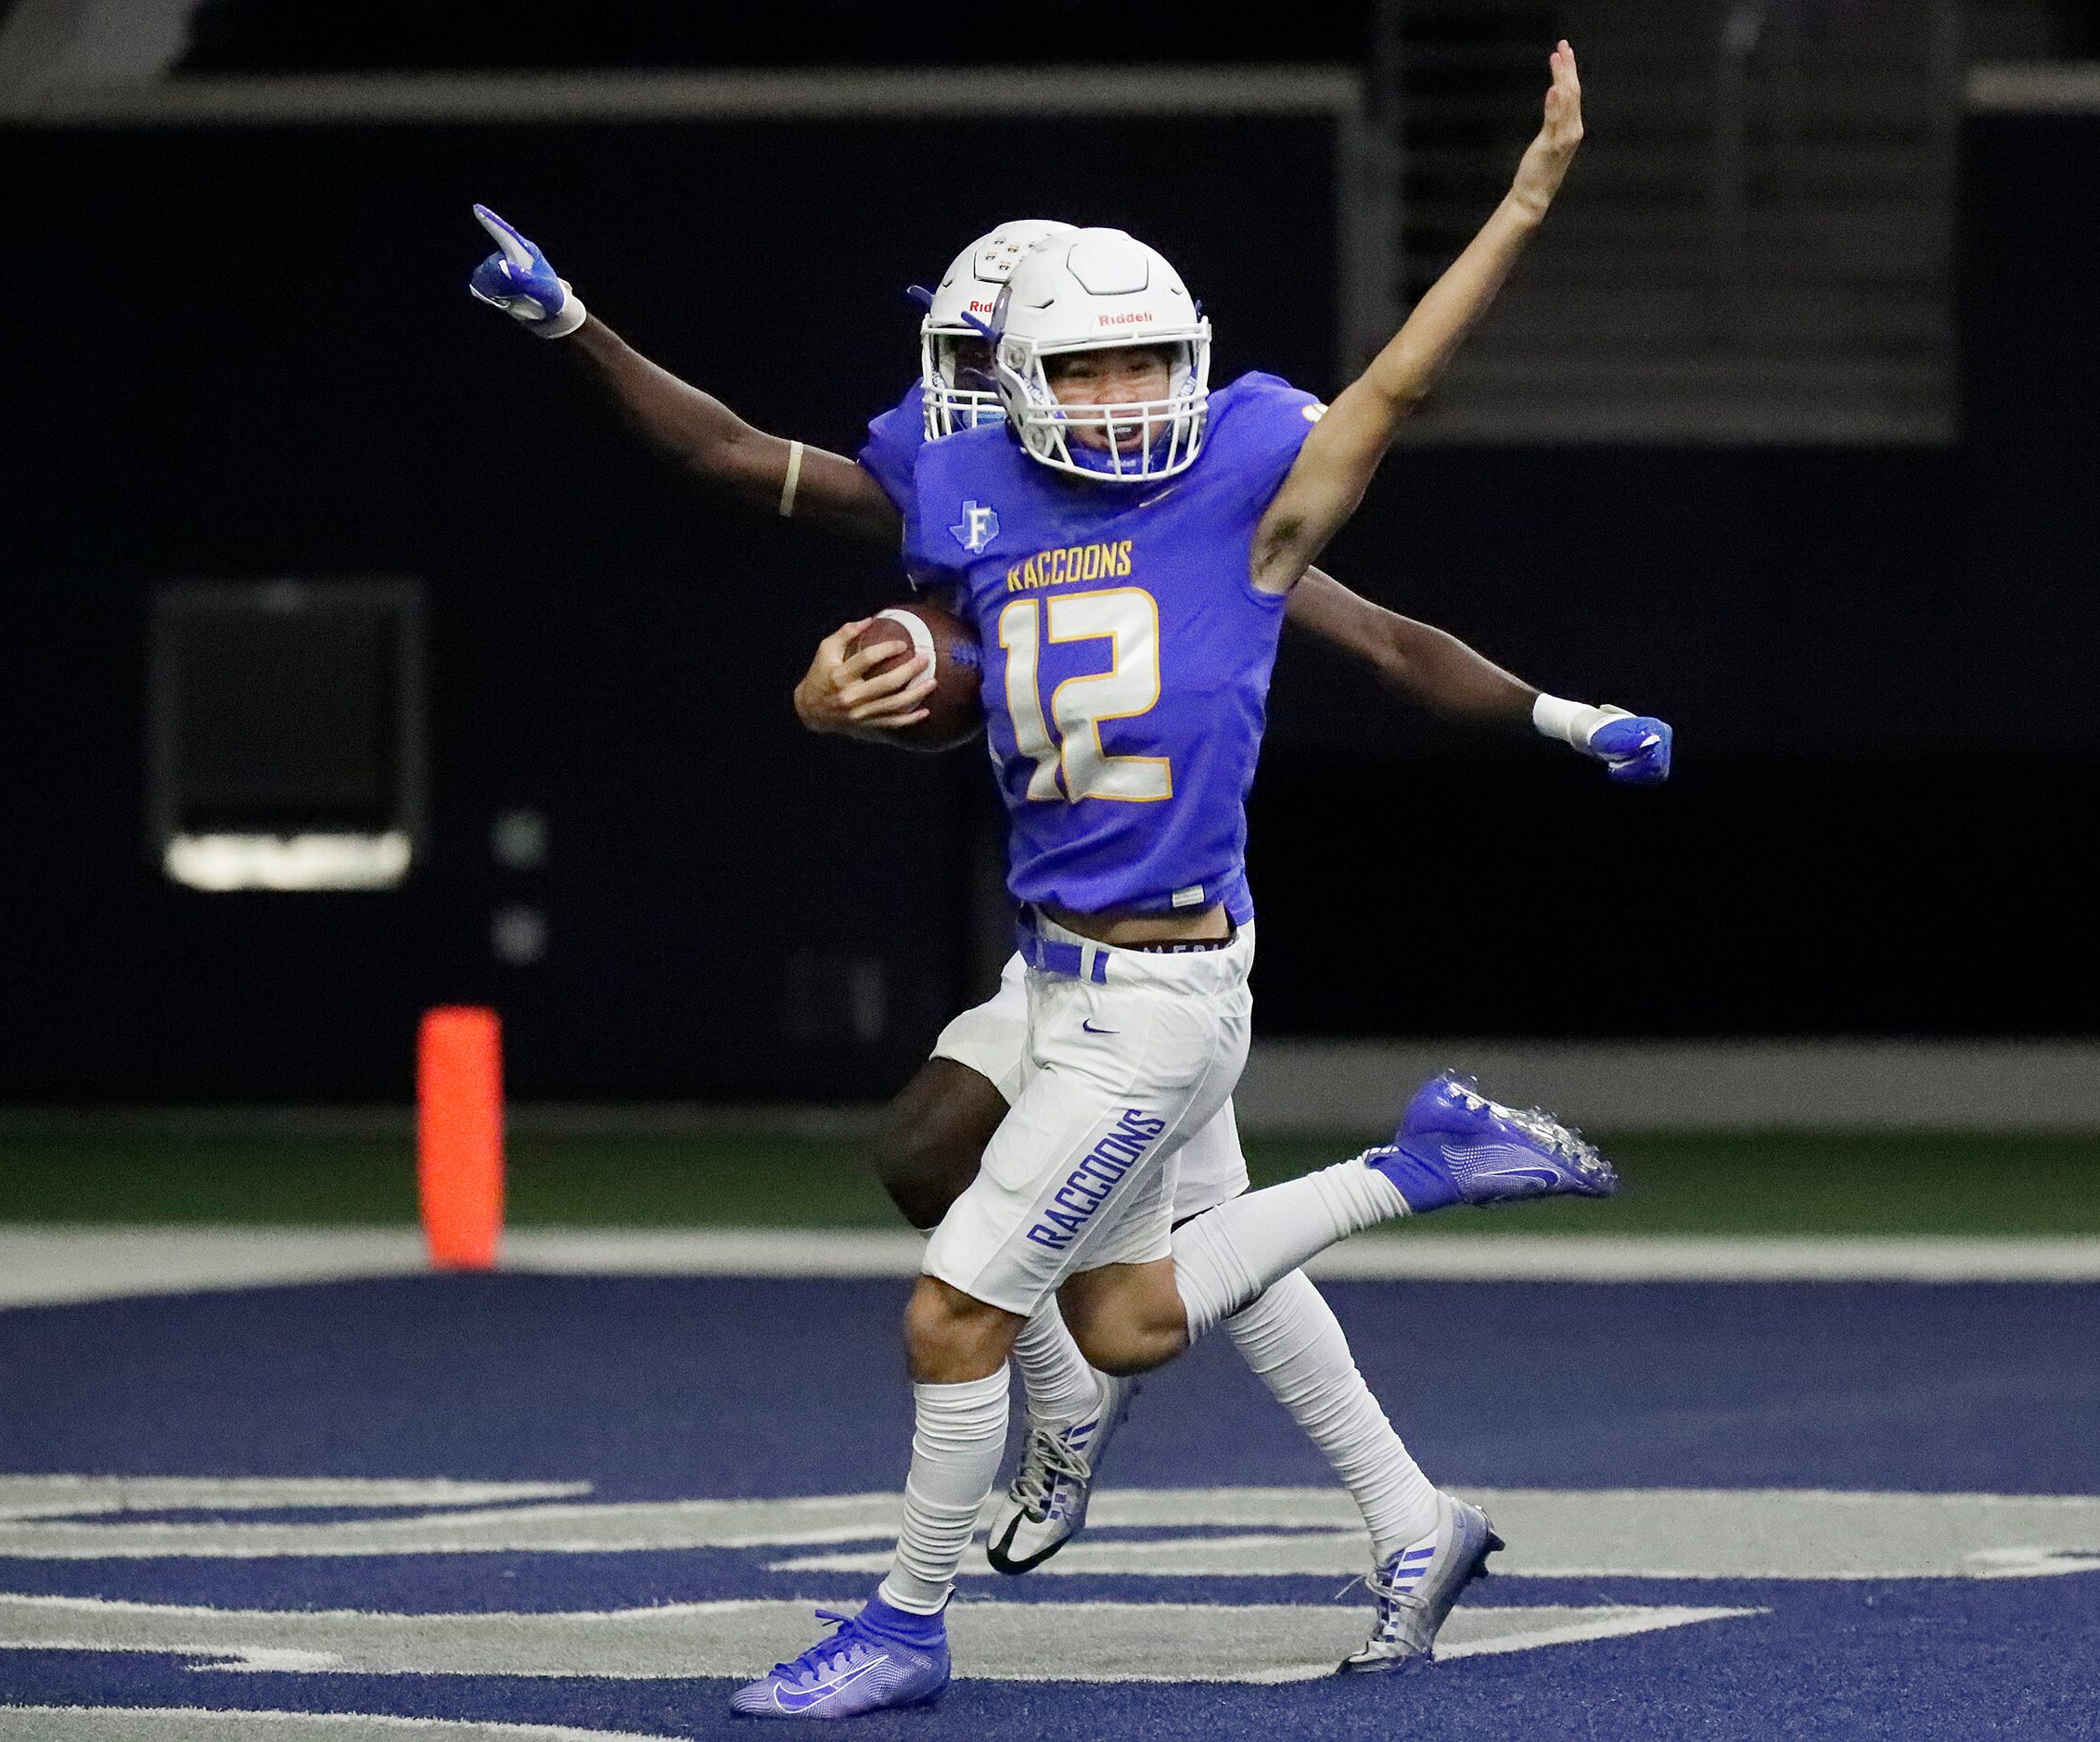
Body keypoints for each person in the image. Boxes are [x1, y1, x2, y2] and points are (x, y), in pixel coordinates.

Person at [465, 199, 1671, 1673]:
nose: (1091, 401)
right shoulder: (967, 484)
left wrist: (1562, 712)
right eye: (1038, 366)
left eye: (1130, 366)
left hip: (1155, 977)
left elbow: (1390, 597)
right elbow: (801, 524)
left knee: (1091, 1312)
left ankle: (925, 1603)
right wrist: (571, 327)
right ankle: (1412, 1515)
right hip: (1055, 958)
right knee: (1015, 1201)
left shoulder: (1225, 489)